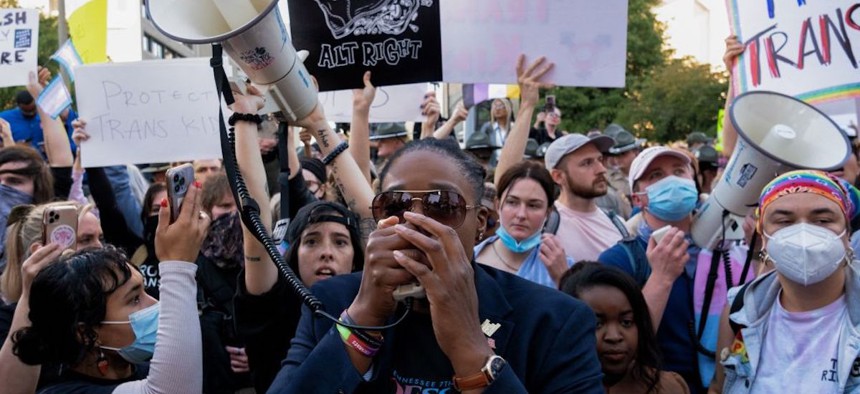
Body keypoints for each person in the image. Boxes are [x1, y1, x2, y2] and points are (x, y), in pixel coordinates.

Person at [271, 83, 604, 393]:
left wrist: (471, 349)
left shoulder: (554, 322)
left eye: (443, 205)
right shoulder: (331, 304)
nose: (416, 222)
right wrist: (362, 320)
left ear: (480, 223)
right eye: (396, 205)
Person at [9, 183, 210, 393]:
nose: (155, 304)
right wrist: (178, 265)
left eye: (143, 292)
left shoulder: (147, 370)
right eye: (133, 299)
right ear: (87, 333)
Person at [598, 146, 754, 393]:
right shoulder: (618, 261)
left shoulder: (729, 250)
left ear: (694, 183)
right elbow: (617, 349)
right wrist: (661, 278)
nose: (671, 180)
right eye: (656, 176)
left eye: (679, 171)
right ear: (638, 198)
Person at [712, 170, 860, 393]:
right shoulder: (740, 310)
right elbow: (718, 387)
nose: (803, 233)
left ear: (847, 235)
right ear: (764, 239)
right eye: (784, 221)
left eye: (822, 220)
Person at [560, 262, 690, 394]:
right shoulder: (550, 385)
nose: (614, 337)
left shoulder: (668, 387)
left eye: (626, 322)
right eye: (597, 324)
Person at [474, 161, 573, 287]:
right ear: (498, 205)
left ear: (547, 212)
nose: (521, 215)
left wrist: (564, 280)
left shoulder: (561, 267)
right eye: (512, 202)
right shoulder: (471, 259)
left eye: (533, 205)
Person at [195, 173, 251, 394]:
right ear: (208, 211)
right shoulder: (192, 260)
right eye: (226, 205)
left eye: (239, 205)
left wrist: (260, 352)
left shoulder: (263, 258)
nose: (234, 214)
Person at [545, 132, 625, 261]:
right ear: (558, 176)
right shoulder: (545, 226)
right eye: (587, 163)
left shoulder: (618, 224)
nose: (601, 169)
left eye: (600, 160)